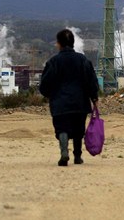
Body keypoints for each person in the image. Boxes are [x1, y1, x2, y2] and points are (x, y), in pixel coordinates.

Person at [39, 29, 99, 166]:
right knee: (78, 130)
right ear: (72, 43)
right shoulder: (83, 60)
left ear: (59, 44)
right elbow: (91, 81)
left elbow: (45, 84)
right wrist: (94, 98)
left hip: (60, 103)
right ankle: (77, 156)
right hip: (80, 102)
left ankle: (64, 153)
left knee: (62, 128)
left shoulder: (53, 62)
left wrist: (49, 94)